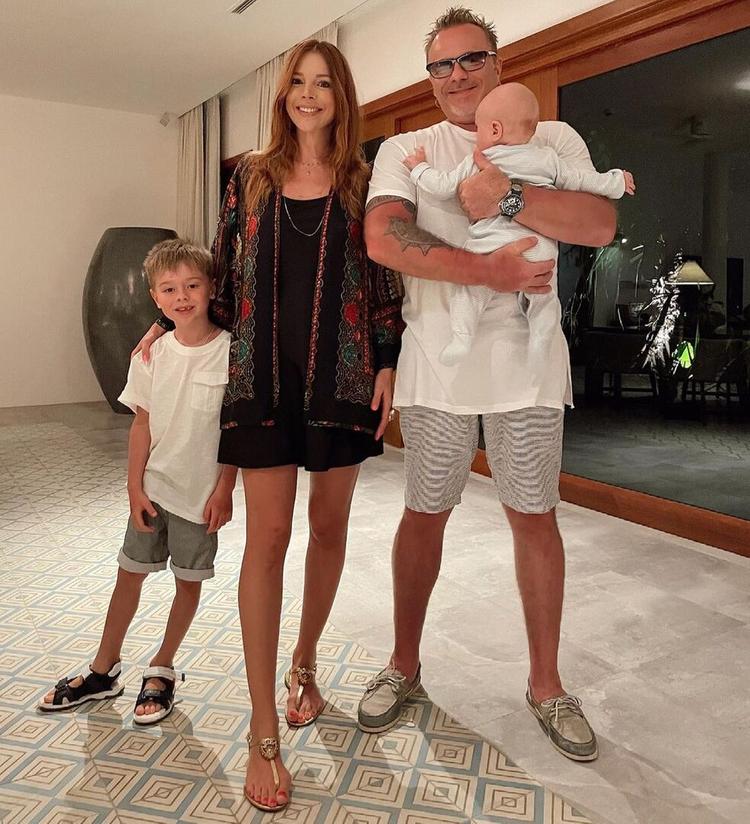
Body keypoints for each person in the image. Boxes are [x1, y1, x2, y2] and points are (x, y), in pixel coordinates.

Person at [136, 40, 403, 812]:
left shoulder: (363, 181)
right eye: (297, 83)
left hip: (343, 379)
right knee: (269, 539)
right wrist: (173, 322)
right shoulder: (250, 177)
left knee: (329, 529)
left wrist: (388, 360)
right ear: (283, 95)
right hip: (259, 382)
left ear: (341, 97)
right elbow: (219, 275)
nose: (308, 94)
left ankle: (305, 662)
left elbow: (384, 282)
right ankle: (262, 727)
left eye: (323, 83)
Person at [358, 7, 618, 763]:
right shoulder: (409, 147)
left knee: (535, 515)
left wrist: (508, 200)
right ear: (430, 78)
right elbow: (383, 237)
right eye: (441, 65)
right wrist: (487, 269)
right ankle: (403, 664)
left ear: (499, 64)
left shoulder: (553, 137)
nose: (457, 75)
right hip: (437, 362)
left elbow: (597, 224)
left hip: (528, 365)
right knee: (425, 512)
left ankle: (546, 684)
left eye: (471, 59)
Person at [39, 239, 236, 727]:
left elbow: (238, 431)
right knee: (128, 575)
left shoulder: (232, 354)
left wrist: (225, 488)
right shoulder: (151, 354)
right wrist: (133, 487)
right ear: (155, 297)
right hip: (154, 490)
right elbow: (142, 425)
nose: (182, 296)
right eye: (169, 289)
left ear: (211, 287)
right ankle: (103, 669)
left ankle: (162, 667)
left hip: (200, 498)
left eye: (192, 285)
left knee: (188, 583)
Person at [402, 82, 635, 366]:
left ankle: (462, 338)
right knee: (543, 298)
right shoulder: (547, 158)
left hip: (490, 245)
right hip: (538, 248)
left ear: (495, 130)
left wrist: (418, 168)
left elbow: (441, 185)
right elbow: (584, 180)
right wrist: (617, 181)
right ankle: (540, 341)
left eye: (479, 129)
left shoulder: (481, 159)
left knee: (468, 294)